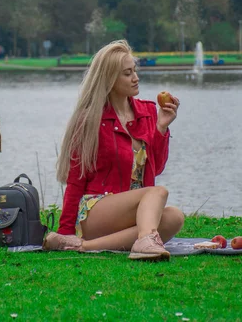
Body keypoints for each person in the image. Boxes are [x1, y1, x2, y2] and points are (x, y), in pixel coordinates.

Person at [43, 40, 184, 261]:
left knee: (175, 217)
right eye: (127, 73)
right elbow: (76, 179)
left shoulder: (147, 112)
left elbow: (155, 168)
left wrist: (161, 127)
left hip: (130, 212)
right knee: (157, 193)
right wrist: (66, 229)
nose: (135, 78)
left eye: (135, 71)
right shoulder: (91, 120)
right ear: (110, 79)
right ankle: (145, 239)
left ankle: (85, 246)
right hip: (96, 209)